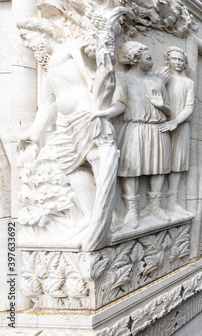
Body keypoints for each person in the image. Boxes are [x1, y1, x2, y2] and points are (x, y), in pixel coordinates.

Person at [17, 18, 119, 251]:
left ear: (43, 33)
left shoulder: (69, 50)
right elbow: (47, 105)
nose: (29, 44)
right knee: (69, 165)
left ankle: (109, 217)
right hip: (65, 124)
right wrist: (33, 134)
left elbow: (97, 70)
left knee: (95, 159)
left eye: (29, 37)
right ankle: (90, 215)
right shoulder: (48, 68)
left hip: (86, 115)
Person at [97, 41, 172, 228]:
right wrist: (106, 113)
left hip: (156, 128)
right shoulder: (123, 79)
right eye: (148, 58)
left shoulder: (157, 81)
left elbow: (169, 111)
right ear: (136, 59)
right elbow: (120, 104)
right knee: (131, 167)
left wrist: (160, 105)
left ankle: (155, 206)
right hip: (134, 127)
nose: (152, 61)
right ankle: (132, 209)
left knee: (159, 167)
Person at [157, 46, 194, 216]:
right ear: (168, 60)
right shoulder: (162, 77)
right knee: (159, 161)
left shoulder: (188, 83)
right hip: (160, 124)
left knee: (177, 163)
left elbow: (189, 107)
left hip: (180, 126)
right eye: (175, 59)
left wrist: (176, 122)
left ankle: (172, 201)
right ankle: (155, 203)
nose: (178, 63)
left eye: (181, 60)